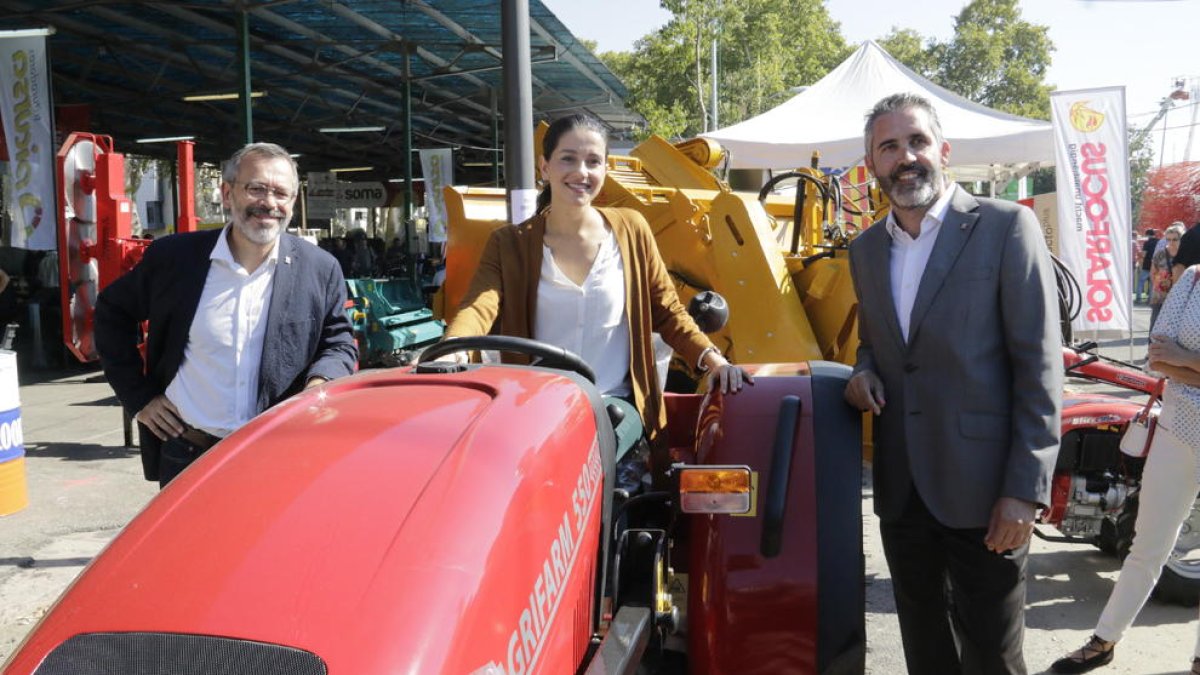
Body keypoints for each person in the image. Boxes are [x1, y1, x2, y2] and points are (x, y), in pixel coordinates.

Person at [843, 93, 1062, 675]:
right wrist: (864, 371)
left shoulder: (1004, 227)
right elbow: (877, 343)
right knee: (925, 647)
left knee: (992, 654)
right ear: (872, 167)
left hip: (988, 493)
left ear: (943, 150)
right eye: (888, 147)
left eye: (916, 141)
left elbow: (1038, 365)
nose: (905, 157)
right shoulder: (864, 249)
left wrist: (1025, 488)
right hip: (903, 489)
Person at [443, 113, 750, 466]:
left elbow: (668, 311)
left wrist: (714, 361)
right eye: (568, 159)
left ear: (605, 169)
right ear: (544, 167)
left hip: (614, 404)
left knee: (584, 453)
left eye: (593, 162)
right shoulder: (509, 243)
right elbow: (479, 307)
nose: (582, 172)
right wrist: (452, 350)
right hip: (536, 407)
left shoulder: (632, 230)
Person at [95, 142, 357, 487]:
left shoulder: (320, 269)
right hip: (189, 453)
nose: (269, 203)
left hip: (280, 454)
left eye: (282, 193)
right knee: (188, 543)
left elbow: (337, 342)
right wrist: (138, 397)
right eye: (256, 188)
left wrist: (319, 385)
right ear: (227, 192)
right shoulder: (175, 259)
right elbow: (112, 311)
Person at [1050, 263, 1200, 674]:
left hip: (1181, 416)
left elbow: (1173, 358)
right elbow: (1157, 356)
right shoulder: (1193, 279)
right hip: (1177, 430)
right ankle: (1104, 641)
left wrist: (1185, 361)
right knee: (1147, 545)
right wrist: (1179, 364)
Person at [1149, 222, 1185, 332]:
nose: (1171, 242)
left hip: (1181, 299)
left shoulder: (1186, 254)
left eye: (1175, 239)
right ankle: (1152, 348)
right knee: (1155, 328)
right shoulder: (1160, 254)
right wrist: (1160, 285)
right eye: (1168, 239)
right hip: (1160, 298)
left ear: (1181, 239)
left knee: (1176, 330)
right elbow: (1153, 273)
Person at [1137, 228, 1159, 303]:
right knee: (1152, 283)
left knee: (1141, 282)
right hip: (1156, 265)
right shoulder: (1158, 242)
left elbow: (1144, 254)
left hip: (1146, 265)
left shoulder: (1147, 243)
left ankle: (1138, 298)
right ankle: (1150, 299)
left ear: (1147, 235)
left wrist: (1140, 259)